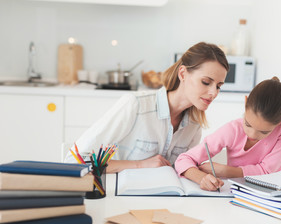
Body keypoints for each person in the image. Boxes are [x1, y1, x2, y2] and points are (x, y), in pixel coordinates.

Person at [65, 42, 229, 173]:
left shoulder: (194, 126)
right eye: (206, 82)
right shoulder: (135, 105)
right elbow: (76, 160)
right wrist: (140, 165)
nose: (213, 93)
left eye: (219, 86)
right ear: (183, 74)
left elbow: (184, 170)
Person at [174, 77, 281, 191]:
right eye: (248, 124)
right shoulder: (232, 130)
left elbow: (267, 171)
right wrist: (201, 178)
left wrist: (224, 170)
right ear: (245, 103)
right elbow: (183, 159)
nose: (252, 134)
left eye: (264, 132)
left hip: (275, 191)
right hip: (238, 193)